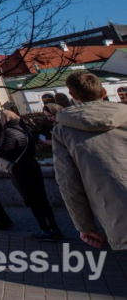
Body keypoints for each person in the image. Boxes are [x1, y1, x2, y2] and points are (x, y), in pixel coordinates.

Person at [54, 70, 127, 250]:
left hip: (116, 210)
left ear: (71, 95)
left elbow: (68, 182)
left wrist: (85, 226)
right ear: (104, 92)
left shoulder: (63, 129)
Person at [0, 110, 60, 240]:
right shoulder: (25, 129)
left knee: (33, 201)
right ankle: (54, 228)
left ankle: (45, 229)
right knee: (43, 200)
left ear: (5, 119)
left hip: (21, 170)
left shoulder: (9, 132)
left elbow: (4, 151)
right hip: (33, 166)